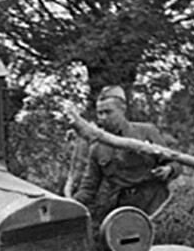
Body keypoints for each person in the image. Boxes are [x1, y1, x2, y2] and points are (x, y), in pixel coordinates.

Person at [69, 86, 179, 227]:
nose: (103, 117)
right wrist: (68, 204)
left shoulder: (146, 132)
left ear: (122, 110)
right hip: (124, 205)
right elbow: (89, 188)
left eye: (108, 112)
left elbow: (175, 163)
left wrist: (167, 170)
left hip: (155, 201)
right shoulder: (97, 148)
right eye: (100, 113)